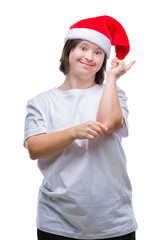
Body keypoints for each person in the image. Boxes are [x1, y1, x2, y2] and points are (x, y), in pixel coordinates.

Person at [24, 15, 137, 240]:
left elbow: (110, 123)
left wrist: (112, 79)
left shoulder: (114, 93)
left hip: (113, 221)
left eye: (98, 52)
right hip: (57, 222)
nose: (89, 56)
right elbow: (35, 149)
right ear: (68, 51)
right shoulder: (41, 102)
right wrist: (73, 132)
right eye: (83, 47)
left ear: (103, 60)